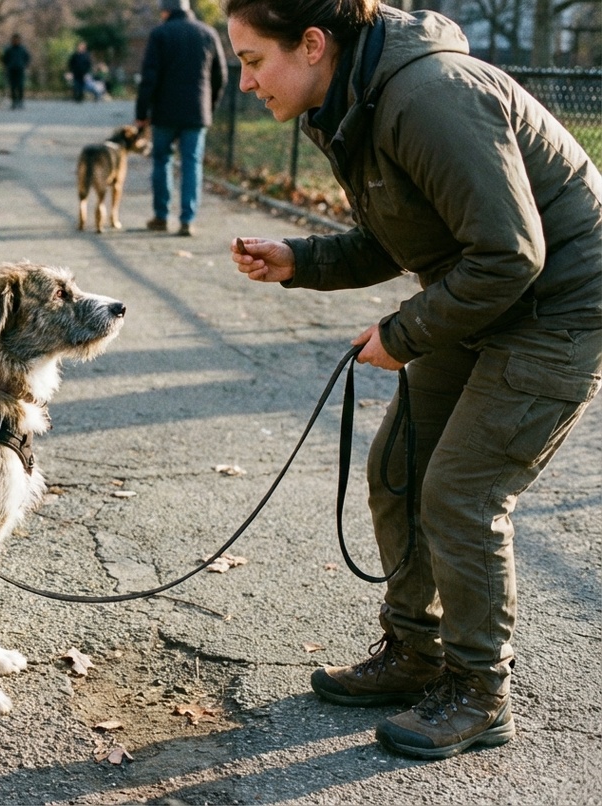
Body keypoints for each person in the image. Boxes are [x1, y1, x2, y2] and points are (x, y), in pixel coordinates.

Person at [226, 0, 602, 760]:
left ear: (311, 43)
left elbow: (509, 253)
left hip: (559, 310)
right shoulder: (353, 101)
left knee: (461, 492)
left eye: (252, 60)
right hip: (488, 297)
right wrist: (302, 259)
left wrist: (402, 336)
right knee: (399, 468)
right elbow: (403, 234)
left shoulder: (430, 95)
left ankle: (479, 692)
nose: (243, 82)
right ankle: (415, 652)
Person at [134, 0, 228, 237]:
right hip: (197, 112)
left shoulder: (160, 34)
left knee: (162, 161)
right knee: (192, 164)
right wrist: (210, 106)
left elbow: (149, 77)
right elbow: (221, 76)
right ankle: (187, 219)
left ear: (166, 11)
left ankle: (161, 216)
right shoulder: (208, 33)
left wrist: (141, 114)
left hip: (164, 113)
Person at [0, 33, 31, 110]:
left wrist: (24, 65)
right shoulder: (9, 49)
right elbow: (4, 58)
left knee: (20, 86)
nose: (16, 41)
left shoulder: (23, 49)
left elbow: (27, 58)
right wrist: (7, 65)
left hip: (20, 69)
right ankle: (14, 102)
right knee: (13, 86)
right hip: (11, 69)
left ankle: (20, 101)